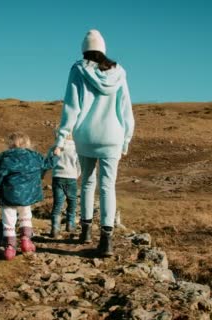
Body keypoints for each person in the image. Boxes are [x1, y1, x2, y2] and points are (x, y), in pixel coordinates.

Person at [54, 29, 135, 257]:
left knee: (88, 183)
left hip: (86, 137)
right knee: (108, 186)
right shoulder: (119, 73)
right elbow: (125, 108)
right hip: (113, 137)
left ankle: (86, 231)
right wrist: (126, 138)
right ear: (103, 49)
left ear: (84, 49)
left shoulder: (78, 70)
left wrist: (62, 138)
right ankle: (106, 240)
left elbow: (71, 107)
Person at [0, 132, 59, 260]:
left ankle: (10, 248)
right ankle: (26, 241)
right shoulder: (35, 157)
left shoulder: (4, 159)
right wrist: (56, 156)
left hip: (9, 196)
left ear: (10, 144)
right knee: (26, 216)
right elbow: (48, 164)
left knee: (8, 221)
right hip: (28, 195)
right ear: (27, 143)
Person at [48, 129, 80, 238]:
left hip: (57, 177)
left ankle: (55, 227)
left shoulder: (54, 148)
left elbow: (48, 161)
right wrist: (77, 174)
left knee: (58, 203)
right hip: (71, 177)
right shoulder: (76, 148)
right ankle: (70, 224)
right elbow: (79, 163)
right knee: (72, 201)